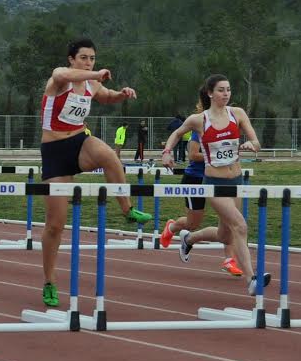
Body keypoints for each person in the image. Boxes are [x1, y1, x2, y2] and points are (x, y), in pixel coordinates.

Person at [39, 38, 152, 308]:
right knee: (55, 225)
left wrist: (122, 93)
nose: (89, 63)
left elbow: (108, 96)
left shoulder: (93, 84)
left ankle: (126, 209)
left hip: (79, 142)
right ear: (71, 58)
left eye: (92, 59)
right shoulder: (60, 79)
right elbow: (63, 74)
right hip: (54, 151)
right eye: (84, 58)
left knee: (109, 157)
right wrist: (95, 74)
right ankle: (49, 282)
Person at [161, 74, 269, 296]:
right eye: (221, 90)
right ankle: (252, 280)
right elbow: (176, 133)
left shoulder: (237, 114)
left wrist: (251, 144)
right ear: (210, 93)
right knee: (240, 225)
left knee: (225, 235)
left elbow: (257, 143)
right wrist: (166, 152)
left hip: (236, 181)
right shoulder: (198, 120)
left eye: (228, 89)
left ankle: (188, 238)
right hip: (214, 183)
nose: (226, 94)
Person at [159, 96, 243, 277]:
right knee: (192, 223)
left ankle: (230, 260)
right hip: (196, 178)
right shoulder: (200, 125)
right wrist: (217, 154)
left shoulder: (229, 122)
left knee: (230, 222)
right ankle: (173, 228)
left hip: (219, 179)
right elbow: (193, 155)